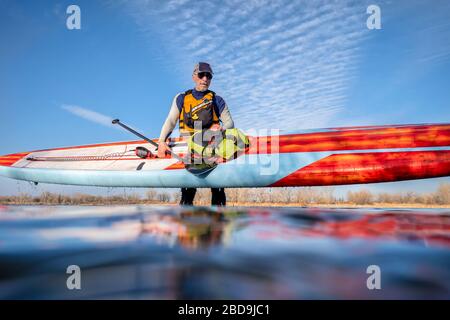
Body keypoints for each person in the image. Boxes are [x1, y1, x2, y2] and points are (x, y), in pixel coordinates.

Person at [157, 62, 235, 206]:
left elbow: (230, 123)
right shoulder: (181, 98)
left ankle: (218, 222)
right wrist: (161, 141)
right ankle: (186, 217)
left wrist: (222, 129)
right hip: (189, 148)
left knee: (217, 191)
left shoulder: (217, 100)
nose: (205, 78)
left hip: (211, 146)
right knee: (187, 193)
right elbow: (170, 121)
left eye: (209, 76)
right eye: (201, 75)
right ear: (194, 76)